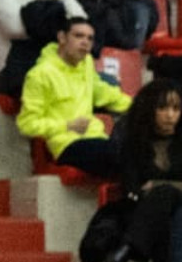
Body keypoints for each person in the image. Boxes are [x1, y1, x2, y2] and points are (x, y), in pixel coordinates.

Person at [104, 80, 182, 262]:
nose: (170, 115)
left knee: (164, 194)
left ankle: (128, 248)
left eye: (176, 108)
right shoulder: (133, 144)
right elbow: (132, 189)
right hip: (146, 213)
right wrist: (173, 187)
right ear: (149, 109)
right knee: (164, 235)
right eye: (163, 108)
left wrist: (159, 185)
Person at [16, 16, 127, 178]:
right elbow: (26, 124)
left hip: (97, 138)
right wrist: (67, 126)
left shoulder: (86, 63)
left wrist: (142, 105)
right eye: (78, 36)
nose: (85, 42)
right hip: (66, 144)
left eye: (90, 38)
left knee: (136, 151)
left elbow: (103, 93)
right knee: (122, 156)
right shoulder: (40, 74)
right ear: (62, 37)